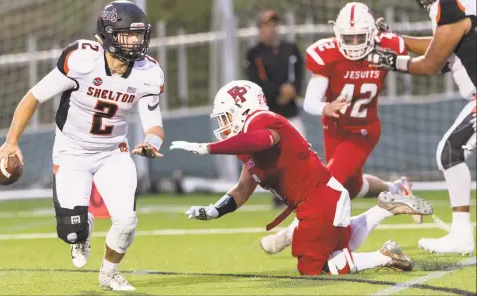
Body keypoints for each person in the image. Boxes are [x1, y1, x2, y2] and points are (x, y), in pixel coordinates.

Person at [169, 80, 433, 276]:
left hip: (318, 200)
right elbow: (241, 189)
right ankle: (384, 208)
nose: (223, 125)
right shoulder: (246, 144)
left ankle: (384, 256)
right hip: (322, 198)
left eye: (226, 117)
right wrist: (214, 211)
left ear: (242, 109)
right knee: (340, 246)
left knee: (312, 268)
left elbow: (263, 140)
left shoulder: (262, 120)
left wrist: (208, 148)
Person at [0, 0, 165, 291]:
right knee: (71, 233)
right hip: (72, 150)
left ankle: (109, 273)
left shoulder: (149, 72)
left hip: (113, 152)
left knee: (126, 220)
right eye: (127, 34)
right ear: (108, 35)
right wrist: (11, 141)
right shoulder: (81, 59)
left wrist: (152, 140)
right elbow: (33, 97)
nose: (135, 41)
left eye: (138, 34)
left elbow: (154, 122)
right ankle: (83, 230)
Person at [259, 2, 420, 255]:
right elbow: (310, 101)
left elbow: (420, 59)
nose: (355, 43)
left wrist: (393, 42)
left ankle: (289, 234)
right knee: (352, 186)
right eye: (349, 37)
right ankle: (397, 190)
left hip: (363, 130)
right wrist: (326, 107)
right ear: (337, 34)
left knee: (327, 182)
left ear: (372, 35)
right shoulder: (328, 55)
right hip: (333, 129)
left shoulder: (388, 45)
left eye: (360, 36)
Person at [367, 0, 476, 255]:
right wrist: (396, 40)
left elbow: (431, 63)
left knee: (449, 151)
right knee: (450, 151)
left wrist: (390, 61)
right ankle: (461, 232)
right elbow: (439, 49)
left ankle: (462, 234)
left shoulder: (450, 4)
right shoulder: (463, 3)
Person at [244, 10, 305, 207]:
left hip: (290, 110)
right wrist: (279, 90)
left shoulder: (290, 49)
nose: (270, 29)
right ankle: (279, 193)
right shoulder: (254, 54)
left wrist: (293, 90)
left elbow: (299, 74)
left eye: (273, 25)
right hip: (268, 112)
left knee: (300, 150)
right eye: (266, 25)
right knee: (271, 156)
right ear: (260, 28)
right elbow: (255, 82)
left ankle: (300, 190)